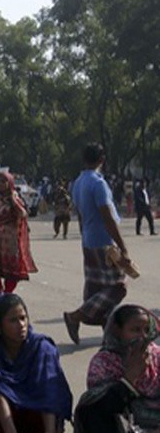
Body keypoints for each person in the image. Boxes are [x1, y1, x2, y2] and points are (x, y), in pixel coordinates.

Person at [0, 294, 72, 433]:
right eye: (13, 320)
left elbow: (48, 392)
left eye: (23, 318)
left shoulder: (41, 347)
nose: (21, 325)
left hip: (41, 410)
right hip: (7, 412)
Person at [64, 143, 136, 346]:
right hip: (104, 242)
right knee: (117, 286)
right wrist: (123, 247)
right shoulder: (98, 183)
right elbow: (107, 217)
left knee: (97, 288)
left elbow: (80, 214)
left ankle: (109, 332)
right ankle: (75, 316)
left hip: (89, 239)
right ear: (101, 160)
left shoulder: (77, 183)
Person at [74, 304, 160, 433]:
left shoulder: (157, 357)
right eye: (135, 330)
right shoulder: (104, 363)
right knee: (89, 408)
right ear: (118, 331)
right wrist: (129, 378)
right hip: (126, 432)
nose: (142, 337)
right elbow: (99, 408)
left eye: (146, 330)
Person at [0, 172, 37, 297]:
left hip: (10, 240)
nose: (0, 184)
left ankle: (7, 292)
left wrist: (13, 201)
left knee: (12, 269)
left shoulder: (15, 198)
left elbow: (23, 214)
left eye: (3, 181)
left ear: (9, 183)